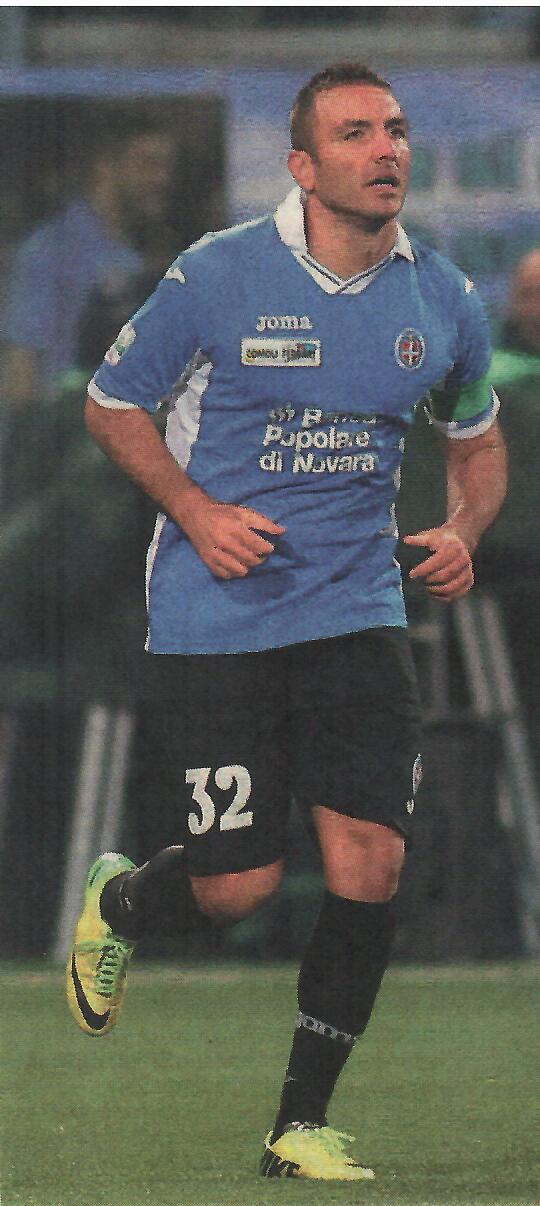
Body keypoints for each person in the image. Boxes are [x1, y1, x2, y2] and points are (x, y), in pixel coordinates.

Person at [67, 63, 507, 1182]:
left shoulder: (442, 295)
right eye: (356, 133)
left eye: (396, 129)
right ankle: (123, 899)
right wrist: (196, 510)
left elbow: (478, 442)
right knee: (239, 889)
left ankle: (298, 1125)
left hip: (358, 612)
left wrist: (464, 527)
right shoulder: (218, 273)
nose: (386, 148)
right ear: (303, 166)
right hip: (218, 615)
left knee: (370, 861)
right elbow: (112, 405)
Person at [1, 117, 176, 410]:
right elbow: (20, 374)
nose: (163, 179)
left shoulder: (137, 254)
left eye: (168, 167)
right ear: (105, 167)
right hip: (67, 425)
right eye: (148, 164)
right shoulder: (51, 250)